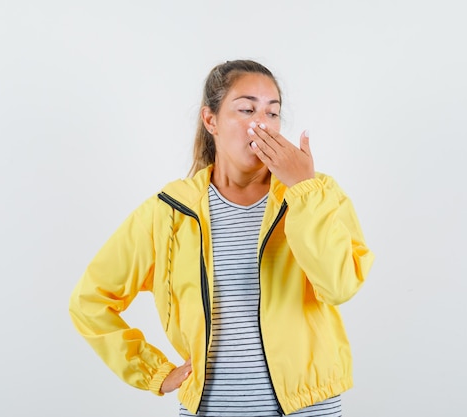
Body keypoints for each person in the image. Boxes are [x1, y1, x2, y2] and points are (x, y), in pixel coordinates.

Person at [69, 59, 374, 417]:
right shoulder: (169, 211)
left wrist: (303, 189)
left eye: (273, 113)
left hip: (308, 409)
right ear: (210, 120)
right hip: (210, 409)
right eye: (246, 109)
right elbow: (90, 301)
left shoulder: (316, 193)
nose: (262, 123)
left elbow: (339, 286)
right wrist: (153, 372)